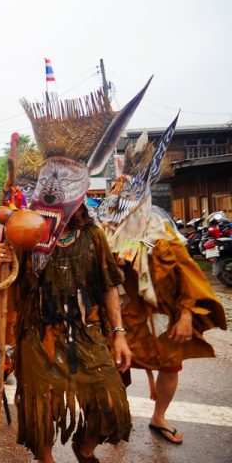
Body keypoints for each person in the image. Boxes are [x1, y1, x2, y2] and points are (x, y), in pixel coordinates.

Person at [0, 82, 151, 462]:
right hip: (37, 332)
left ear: (79, 194)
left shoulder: (93, 235)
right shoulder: (21, 231)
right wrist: (2, 256)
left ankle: (85, 450)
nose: (51, 195)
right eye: (46, 187)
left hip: (85, 331)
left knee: (109, 400)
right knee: (40, 410)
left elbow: (110, 285)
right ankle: (46, 457)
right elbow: (4, 284)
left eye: (61, 186)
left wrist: (118, 333)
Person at [98, 121, 227, 445]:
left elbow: (189, 277)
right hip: (125, 320)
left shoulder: (162, 235)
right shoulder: (107, 237)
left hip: (164, 318)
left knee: (171, 368)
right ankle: (114, 416)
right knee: (113, 369)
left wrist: (186, 315)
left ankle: (158, 417)